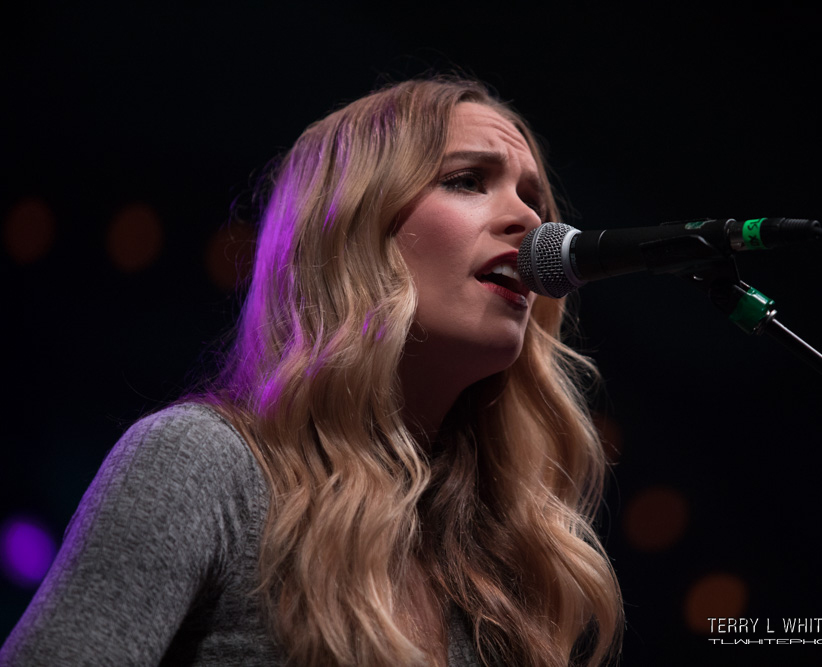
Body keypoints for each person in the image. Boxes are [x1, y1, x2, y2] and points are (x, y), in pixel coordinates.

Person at [0, 78, 624, 666]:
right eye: (467, 180)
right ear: (355, 228)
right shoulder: (205, 464)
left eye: (533, 199)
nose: (531, 222)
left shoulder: (497, 564)